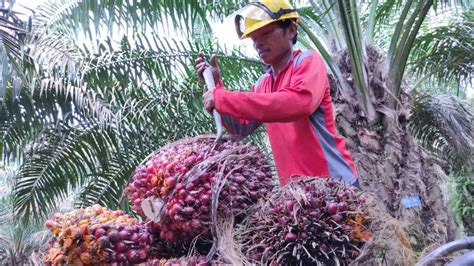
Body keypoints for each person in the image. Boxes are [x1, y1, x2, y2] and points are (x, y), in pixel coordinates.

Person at [195, 0, 359, 187]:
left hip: (336, 186)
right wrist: (216, 86)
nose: (258, 44)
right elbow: (240, 128)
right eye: (254, 38)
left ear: (291, 30)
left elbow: (299, 102)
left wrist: (224, 98)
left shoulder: (307, 61)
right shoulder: (262, 84)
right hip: (298, 196)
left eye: (265, 33)